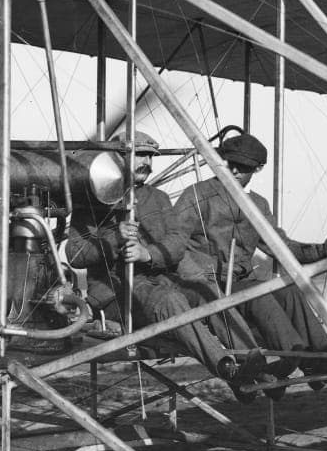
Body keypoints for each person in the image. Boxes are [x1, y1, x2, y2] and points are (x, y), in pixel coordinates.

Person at [64, 130, 270, 400]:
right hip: (117, 293)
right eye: (140, 155)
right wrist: (114, 239)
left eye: (151, 156)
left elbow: (176, 242)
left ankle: (251, 364)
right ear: (116, 158)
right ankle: (226, 367)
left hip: (158, 281)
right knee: (170, 300)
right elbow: (75, 254)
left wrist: (147, 255)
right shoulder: (92, 201)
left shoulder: (158, 198)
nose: (147, 162)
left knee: (205, 292)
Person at [174, 132, 327, 392]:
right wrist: (199, 272)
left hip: (240, 282)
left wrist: (323, 249)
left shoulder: (258, 204)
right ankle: (296, 356)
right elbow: (173, 243)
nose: (233, 171)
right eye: (229, 164)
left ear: (258, 168)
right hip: (206, 285)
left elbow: (281, 247)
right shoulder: (197, 195)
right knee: (260, 294)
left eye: (242, 167)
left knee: (288, 289)